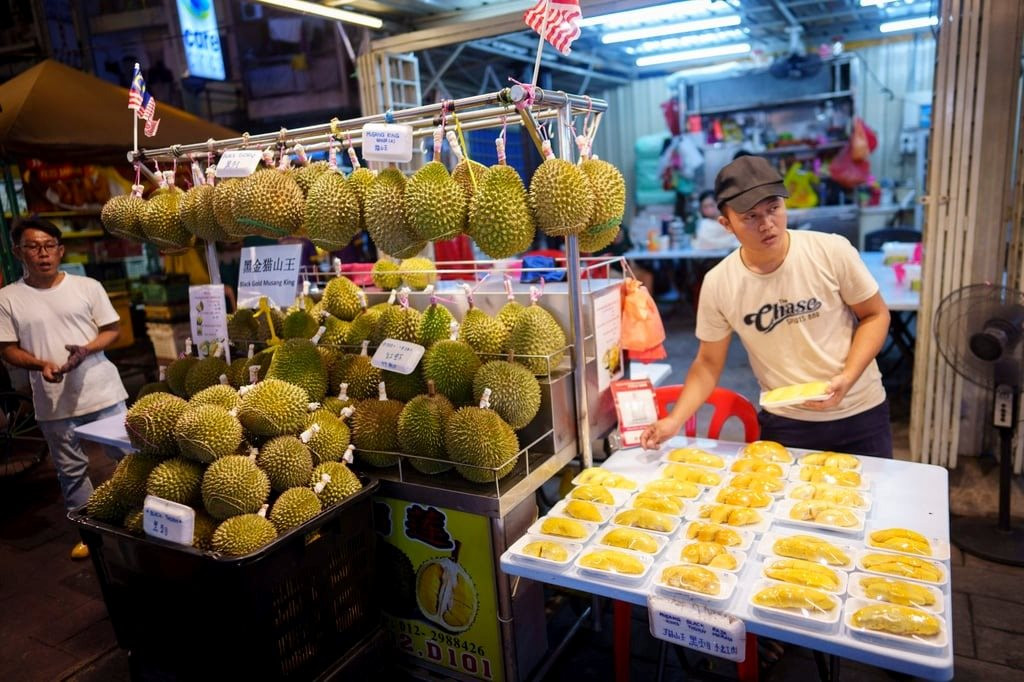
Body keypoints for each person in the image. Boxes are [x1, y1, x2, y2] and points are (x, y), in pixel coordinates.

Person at [640, 156, 892, 458]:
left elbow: (875, 315)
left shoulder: (831, 250)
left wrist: (848, 377)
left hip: (860, 411)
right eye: (750, 217)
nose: (767, 224)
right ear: (726, 223)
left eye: (774, 209)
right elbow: (707, 363)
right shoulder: (720, 282)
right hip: (787, 422)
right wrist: (673, 421)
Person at [0, 217, 129, 559]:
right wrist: (41, 364)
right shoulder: (8, 298)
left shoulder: (87, 287)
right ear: (18, 252)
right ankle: (90, 535)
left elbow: (111, 328)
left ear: (60, 250)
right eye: (33, 246)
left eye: (48, 246)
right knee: (71, 471)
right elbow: (7, 349)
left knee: (129, 459)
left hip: (103, 391)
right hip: (53, 399)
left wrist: (87, 348)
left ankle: (143, 519)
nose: (42, 254)